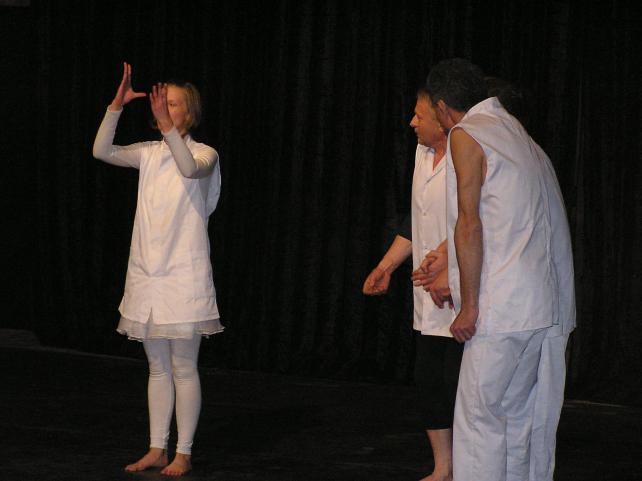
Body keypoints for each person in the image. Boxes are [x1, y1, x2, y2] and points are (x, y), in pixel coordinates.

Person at [425, 58, 575, 481]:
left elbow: (470, 223)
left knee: (479, 420)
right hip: (540, 304)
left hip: (502, 305)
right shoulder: (521, 138)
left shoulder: (468, 133)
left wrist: (469, 305)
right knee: (516, 416)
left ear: (442, 107)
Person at [93, 62, 224, 476]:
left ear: (190, 112)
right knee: (157, 367)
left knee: (183, 367)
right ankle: (157, 448)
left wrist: (168, 130)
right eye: (163, 103)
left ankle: (183, 452)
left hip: (183, 275)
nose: (166, 109)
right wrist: (115, 106)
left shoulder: (205, 154)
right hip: (148, 274)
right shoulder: (149, 154)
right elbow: (101, 151)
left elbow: (188, 168)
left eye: (175, 105)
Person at [363, 88, 463, 481]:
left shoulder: (465, 155)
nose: (412, 123)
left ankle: (472, 466)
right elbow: (415, 221)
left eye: (420, 116)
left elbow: (474, 221)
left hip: (460, 286)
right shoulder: (422, 154)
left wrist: (448, 262)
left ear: (442, 116)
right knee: (430, 381)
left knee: (459, 383)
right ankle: (444, 467)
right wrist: (386, 266)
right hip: (427, 290)